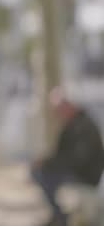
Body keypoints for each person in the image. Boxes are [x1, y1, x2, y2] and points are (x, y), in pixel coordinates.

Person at [31, 86, 104, 226]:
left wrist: (47, 163)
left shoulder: (83, 126)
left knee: (43, 174)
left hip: (86, 175)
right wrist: (45, 162)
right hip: (78, 171)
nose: (57, 113)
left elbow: (76, 159)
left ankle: (60, 216)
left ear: (67, 106)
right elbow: (63, 154)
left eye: (58, 109)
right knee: (39, 172)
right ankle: (58, 215)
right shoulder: (72, 123)